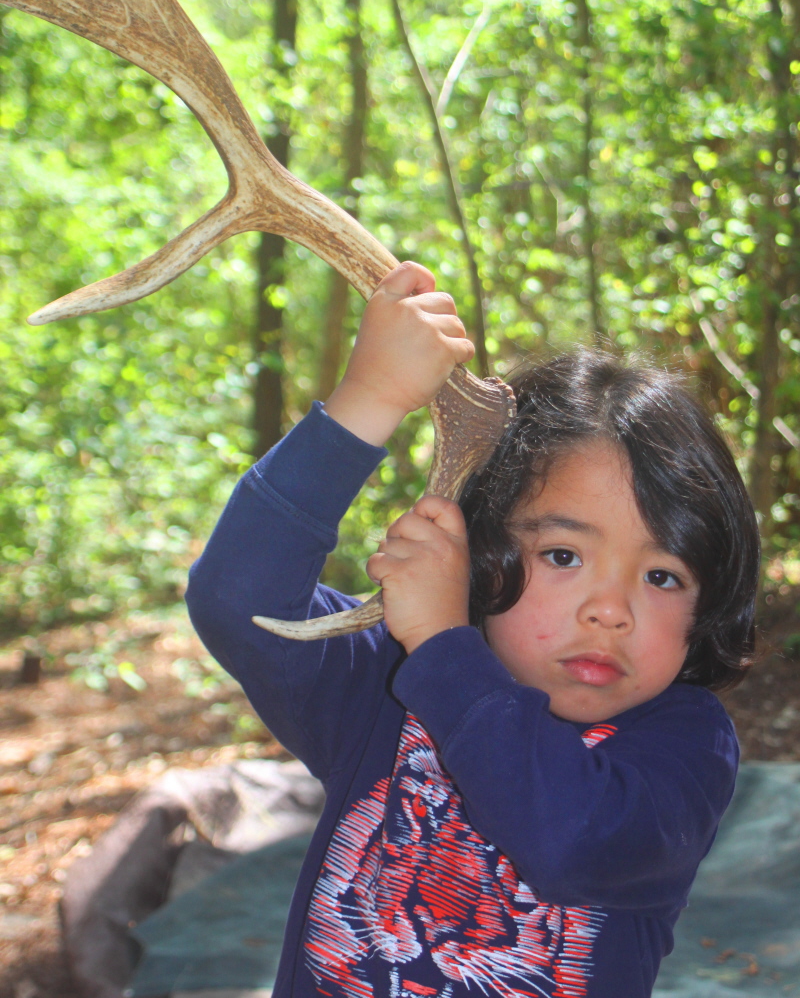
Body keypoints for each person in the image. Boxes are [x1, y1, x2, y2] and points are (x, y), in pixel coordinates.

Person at [186, 260, 759, 998]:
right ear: (479, 555)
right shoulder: (388, 694)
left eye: (662, 576)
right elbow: (240, 599)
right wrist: (373, 397)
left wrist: (446, 647)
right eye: (562, 555)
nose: (610, 609)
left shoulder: (684, 746)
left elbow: (569, 838)